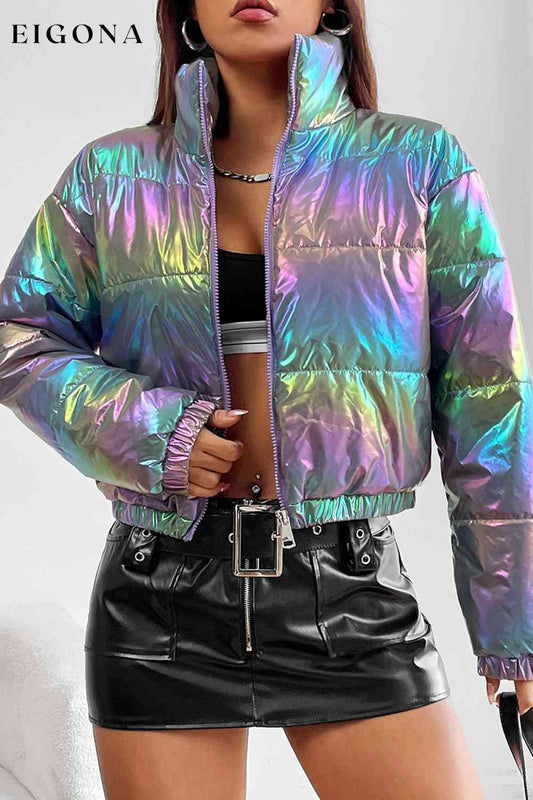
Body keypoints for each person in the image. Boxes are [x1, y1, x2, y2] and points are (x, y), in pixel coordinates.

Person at [1, 0, 532, 797]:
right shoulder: (110, 176)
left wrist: (514, 627)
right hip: (157, 597)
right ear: (186, 9)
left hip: (350, 591)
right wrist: (156, 432)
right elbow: (18, 337)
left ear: (332, 5)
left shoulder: (418, 163)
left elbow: (489, 401)